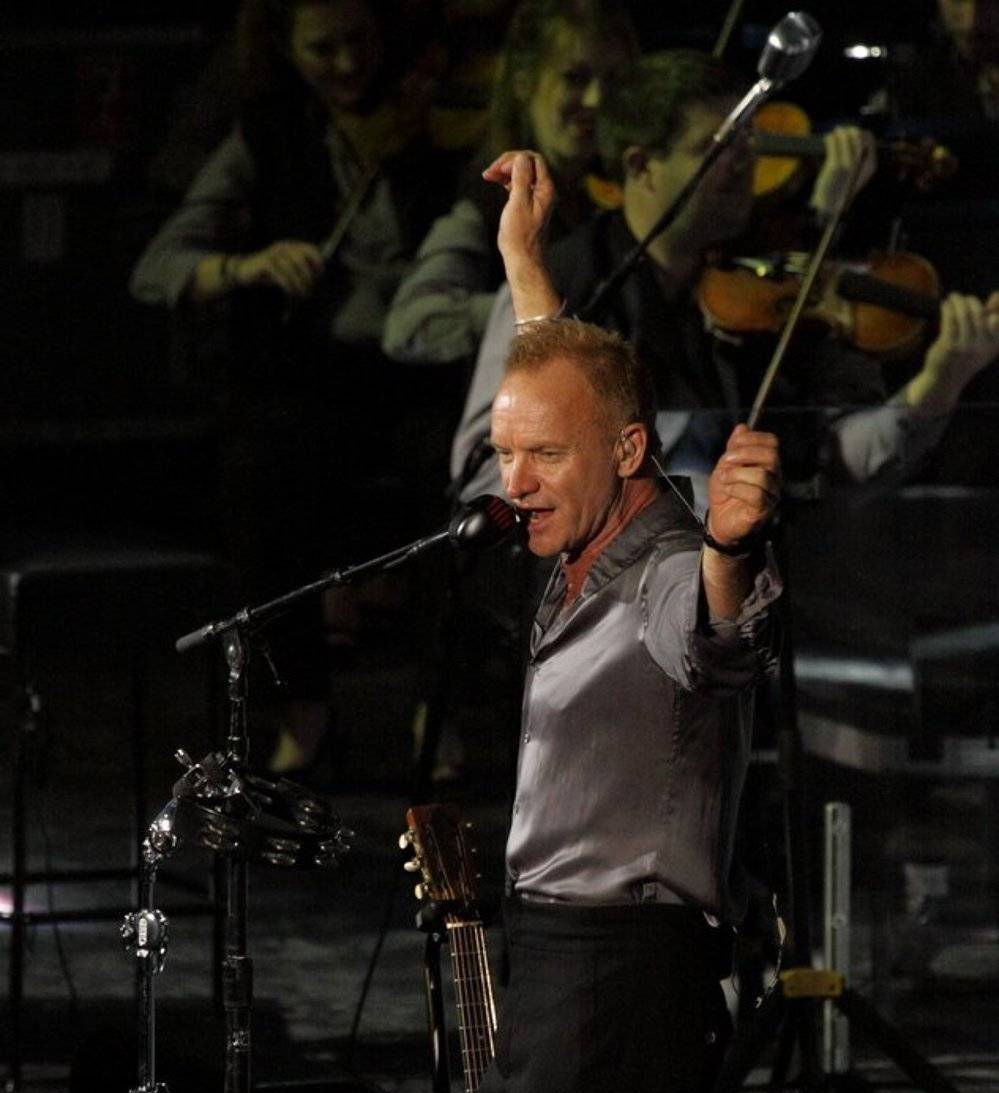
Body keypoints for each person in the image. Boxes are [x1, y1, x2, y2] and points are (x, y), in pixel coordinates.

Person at [406, 148, 783, 1093]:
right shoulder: (576, 531)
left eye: (538, 457)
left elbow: (715, 640)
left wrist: (731, 553)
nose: (510, 478)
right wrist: (524, 262)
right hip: (551, 969)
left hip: (627, 977)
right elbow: (566, 386)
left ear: (626, 455)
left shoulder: (664, 565)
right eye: (503, 453)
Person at [453, 50, 999, 517]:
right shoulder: (561, 283)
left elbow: (831, 462)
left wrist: (938, 384)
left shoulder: (762, 282)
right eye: (715, 147)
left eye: (748, 141)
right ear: (641, 166)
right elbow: (484, 477)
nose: (747, 161)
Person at [130, 0, 458, 777]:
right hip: (310, 371)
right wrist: (247, 266)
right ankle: (303, 705)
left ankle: (437, 707)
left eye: (360, 42)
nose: (346, 66)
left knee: (463, 478)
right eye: (323, 49)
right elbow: (158, 268)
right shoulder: (268, 133)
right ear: (285, 48)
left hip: (418, 367)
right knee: (260, 472)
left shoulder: (431, 122)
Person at [381, 0, 637, 368]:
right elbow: (411, 324)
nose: (597, 99)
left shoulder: (613, 195)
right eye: (575, 77)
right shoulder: (490, 196)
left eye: (613, 81)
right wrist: (534, 310)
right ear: (524, 81)